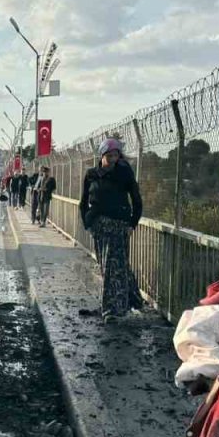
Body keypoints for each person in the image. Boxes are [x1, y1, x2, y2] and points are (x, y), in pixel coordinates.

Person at [80, 138, 143, 322]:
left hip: (119, 225)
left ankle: (111, 309)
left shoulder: (124, 173)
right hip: (99, 226)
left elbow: (136, 199)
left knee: (111, 267)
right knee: (111, 265)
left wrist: (132, 223)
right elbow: (84, 202)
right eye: (109, 155)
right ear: (102, 156)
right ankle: (133, 300)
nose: (113, 159)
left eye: (116, 155)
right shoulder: (92, 174)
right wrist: (88, 223)